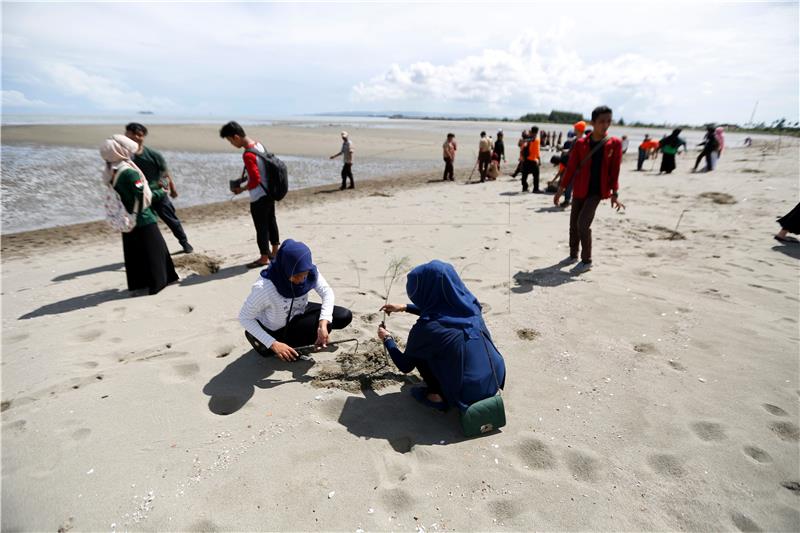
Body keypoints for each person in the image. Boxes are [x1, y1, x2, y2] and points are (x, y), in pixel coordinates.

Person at [377, 260, 505, 412]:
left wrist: (387, 339)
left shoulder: (426, 329)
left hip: (467, 392)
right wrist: (405, 308)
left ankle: (437, 395)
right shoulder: (471, 306)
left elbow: (405, 366)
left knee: (421, 353)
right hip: (494, 377)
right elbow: (444, 314)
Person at [239, 239, 353, 361]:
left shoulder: (309, 271)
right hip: (277, 329)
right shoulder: (264, 288)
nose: (302, 279)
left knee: (343, 316)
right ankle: (273, 341)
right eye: (296, 275)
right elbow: (244, 317)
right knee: (311, 333)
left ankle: (300, 338)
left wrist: (323, 323)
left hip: (299, 310)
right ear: (285, 268)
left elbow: (327, 292)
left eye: (304, 274)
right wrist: (273, 343)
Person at [100, 135, 178, 295]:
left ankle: (139, 284)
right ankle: (159, 283)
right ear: (120, 151)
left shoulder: (111, 171)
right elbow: (144, 197)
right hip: (143, 218)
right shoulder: (129, 172)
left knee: (135, 255)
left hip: (127, 218)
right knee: (156, 252)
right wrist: (162, 190)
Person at [553, 105, 625, 273]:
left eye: (608, 121)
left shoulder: (614, 144)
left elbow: (615, 171)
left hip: (597, 192)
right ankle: (573, 255)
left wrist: (615, 193)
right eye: (601, 121)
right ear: (592, 122)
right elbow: (570, 168)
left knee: (583, 224)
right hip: (579, 189)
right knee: (573, 225)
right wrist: (561, 189)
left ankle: (587, 260)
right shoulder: (580, 143)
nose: (605, 125)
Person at [124, 123, 194, 254]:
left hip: (158, 194)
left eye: (138, 135)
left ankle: (185, 243)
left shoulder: (153, 155)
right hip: (140, 197)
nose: (134, 137)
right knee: (146, 225)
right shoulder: (125, 157)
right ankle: (150, 250)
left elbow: (164, 173)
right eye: (131, 134)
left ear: (143, 136)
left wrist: (169, 189)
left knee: (172, 220)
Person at [220, 121, 280, 268]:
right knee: (271, 221)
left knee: (261, 227)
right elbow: (261, 170)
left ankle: (264, 257)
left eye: (229, 140)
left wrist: (241, 189)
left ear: (236, 137)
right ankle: (275, 251)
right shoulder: (259, 145)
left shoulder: (247, 154)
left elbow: (255, 179)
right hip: (269, 192)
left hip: (259, 196)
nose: (231, 144)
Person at [521, 126, 541, 192]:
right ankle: (536, 189)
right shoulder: (536, 139)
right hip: (533, 160)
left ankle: (525, 187)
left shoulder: (528, 138)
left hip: (526, 159)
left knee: (524, 175)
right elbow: (537, 151)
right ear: (537, 132)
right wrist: (539, 159)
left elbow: (523, 148)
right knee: (536, 175)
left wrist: (522, 157)